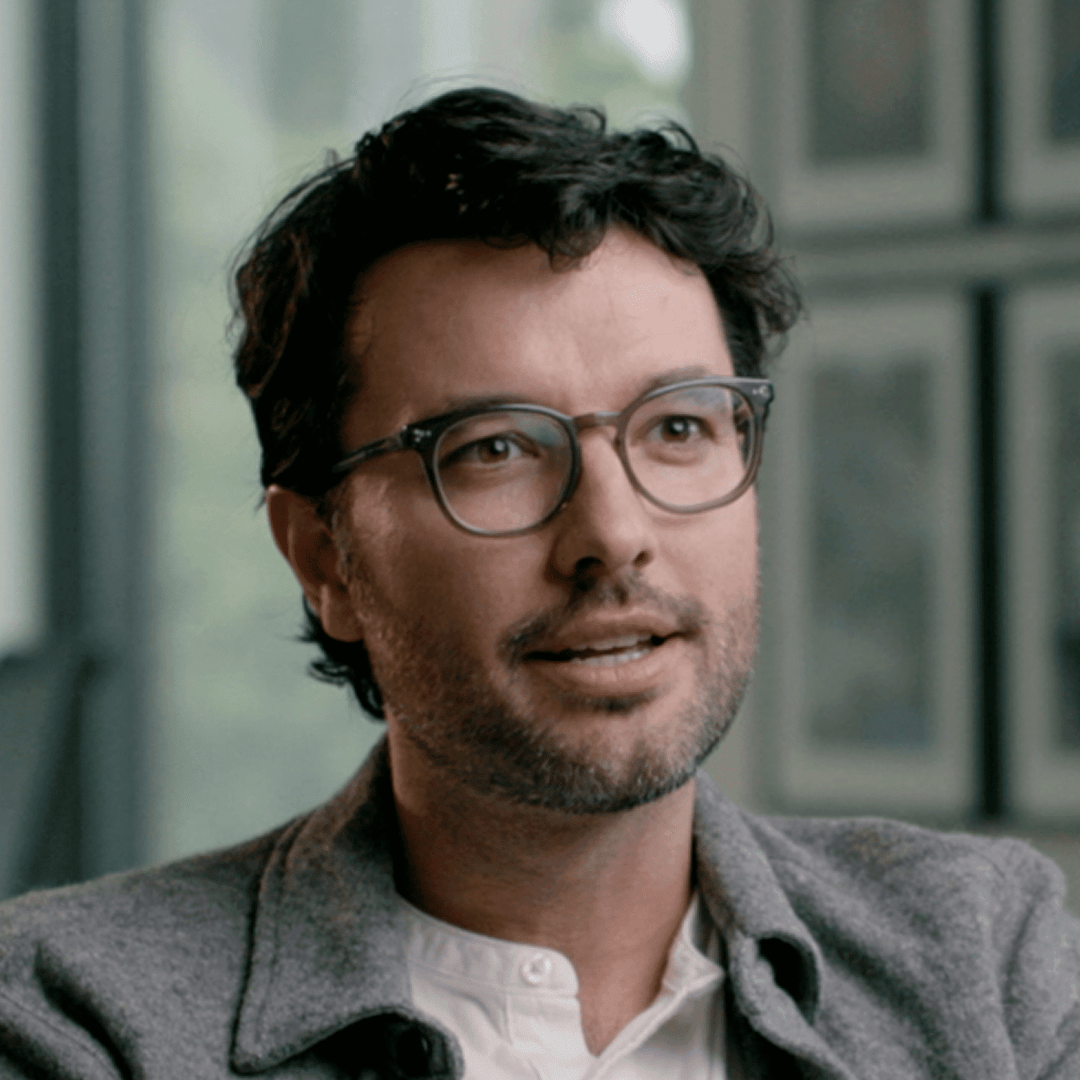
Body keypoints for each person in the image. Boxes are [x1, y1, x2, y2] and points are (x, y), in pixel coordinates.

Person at [1, 87, 1078, 1080]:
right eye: (495, 449)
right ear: (324, 558)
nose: (613, 535)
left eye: (679, 427)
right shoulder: (79, 1013)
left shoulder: (980, 951)